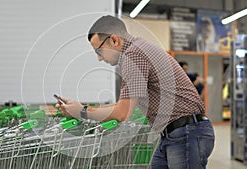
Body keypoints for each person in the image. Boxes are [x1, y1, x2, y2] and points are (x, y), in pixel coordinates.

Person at [56, 15, 214, 169]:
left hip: (186, 132)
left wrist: (82, 112)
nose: (99, 58)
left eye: (99, 51)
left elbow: (122, 113)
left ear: (114, 40)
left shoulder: (134, 55)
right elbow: (122, 105)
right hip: (175, 133)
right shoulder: (137, 50)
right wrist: (80, 108)